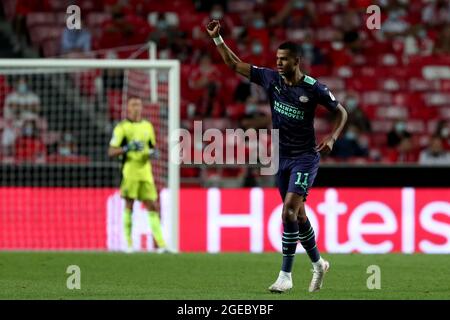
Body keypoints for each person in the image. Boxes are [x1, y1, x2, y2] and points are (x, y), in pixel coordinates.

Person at [206, 20, 348, 293]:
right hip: (280, 157)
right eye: (277, 59)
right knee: (299, 216)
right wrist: (218, 40)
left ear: (297, 60)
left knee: (288, 212)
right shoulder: (271, 78)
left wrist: (332, 137)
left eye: (284, 59)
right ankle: (319, 264)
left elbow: (342, 112)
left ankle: (285, 275)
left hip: (305, 158)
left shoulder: (313, 88)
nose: (279, 63)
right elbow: (235, 65)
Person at [108, 96, 169, 253]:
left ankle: (161, 245)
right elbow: (111, 151)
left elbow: (152, 147)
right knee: (129, 205)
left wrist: (153, 153)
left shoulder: (148, 126)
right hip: (130, 171)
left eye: (139, 105)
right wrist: (127, 148)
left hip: (146, 172)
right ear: (127, 108)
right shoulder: (121, 128)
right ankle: (128, 245)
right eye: (133, 104)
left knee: (153, 206)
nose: (136, 107)